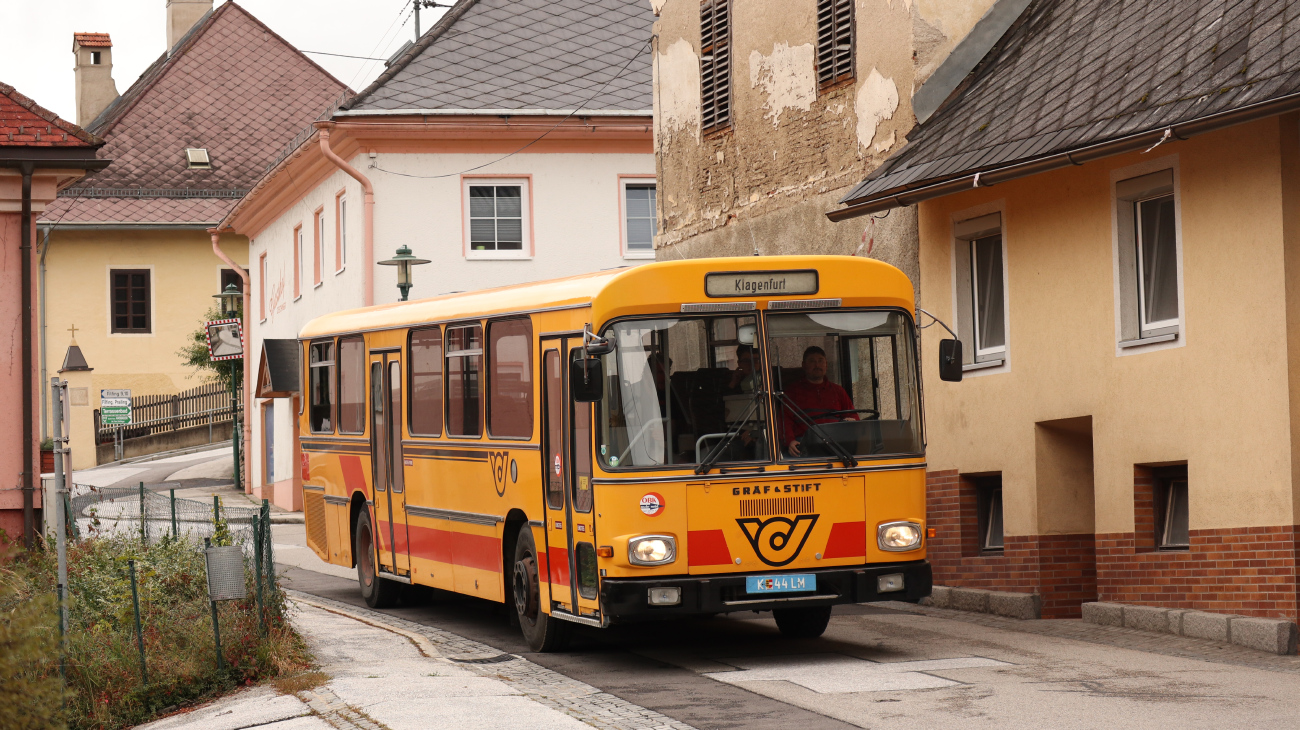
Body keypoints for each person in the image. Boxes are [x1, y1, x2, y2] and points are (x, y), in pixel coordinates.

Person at [782, 346, 857, 456]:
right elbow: (784, 421)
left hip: (836, 445)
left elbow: (853, 417)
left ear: (826, 364)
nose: (817, 365)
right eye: (812, 361)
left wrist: (852, 422)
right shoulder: (792, 392)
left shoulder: (838, 391)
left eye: (820, 361)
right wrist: (790, 441)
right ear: (804, 365)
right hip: (806, 445)